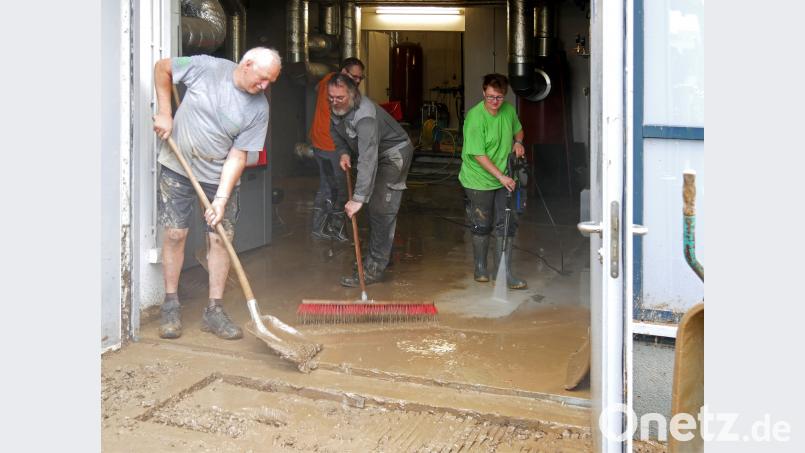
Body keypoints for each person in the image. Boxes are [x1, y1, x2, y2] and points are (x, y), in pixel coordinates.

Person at [152, 47, 281, 340]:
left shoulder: (259, 108)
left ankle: (214, 310)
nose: (264, 87)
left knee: (220, 239)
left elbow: (238, 157)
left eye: (270, 82)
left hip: (218, 174)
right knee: (175, 234)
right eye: (262, 79)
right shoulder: (206, 68)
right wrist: (164, 112)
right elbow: (163, 67)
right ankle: (171, 304)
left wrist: (221, 199)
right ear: (247, 64)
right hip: (178, 165)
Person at [327, 74, 413, 286]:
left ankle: (374, 267)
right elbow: (337, 133)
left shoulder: (365, 116)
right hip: (374, 154)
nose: (334, 101)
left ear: (352, 94)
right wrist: (344, 152)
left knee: (381, 209)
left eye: (339, 97)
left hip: (393, 155)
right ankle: (381, 257)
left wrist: (358, 198)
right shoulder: (337, 108)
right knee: (373, 208)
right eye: (331, 97)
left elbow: (367, 158)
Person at [458, 73, 528, 289]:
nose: (495, 102)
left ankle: (503, 273)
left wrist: (518, 143)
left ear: (504, 95)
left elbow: (519, 131)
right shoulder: (475, 118)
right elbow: (479, 155)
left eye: (499, 97)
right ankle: (480, 267)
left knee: (506, 224)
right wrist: (501, 176)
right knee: (481, 224)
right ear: (483, 92)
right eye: (490, 97)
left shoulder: (508, 110)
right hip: (478, 180)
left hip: (505, 178)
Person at [309, 58, 366, 242]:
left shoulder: (327, 79)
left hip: (319, 141)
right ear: (343, 71)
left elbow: (317, 89)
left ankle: (320, 228)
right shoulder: (341, 88)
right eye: (353, 76)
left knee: (327, 185)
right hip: (331, 144)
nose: (357, 81)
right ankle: (336, 229)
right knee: (338, 188)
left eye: (360, 78)